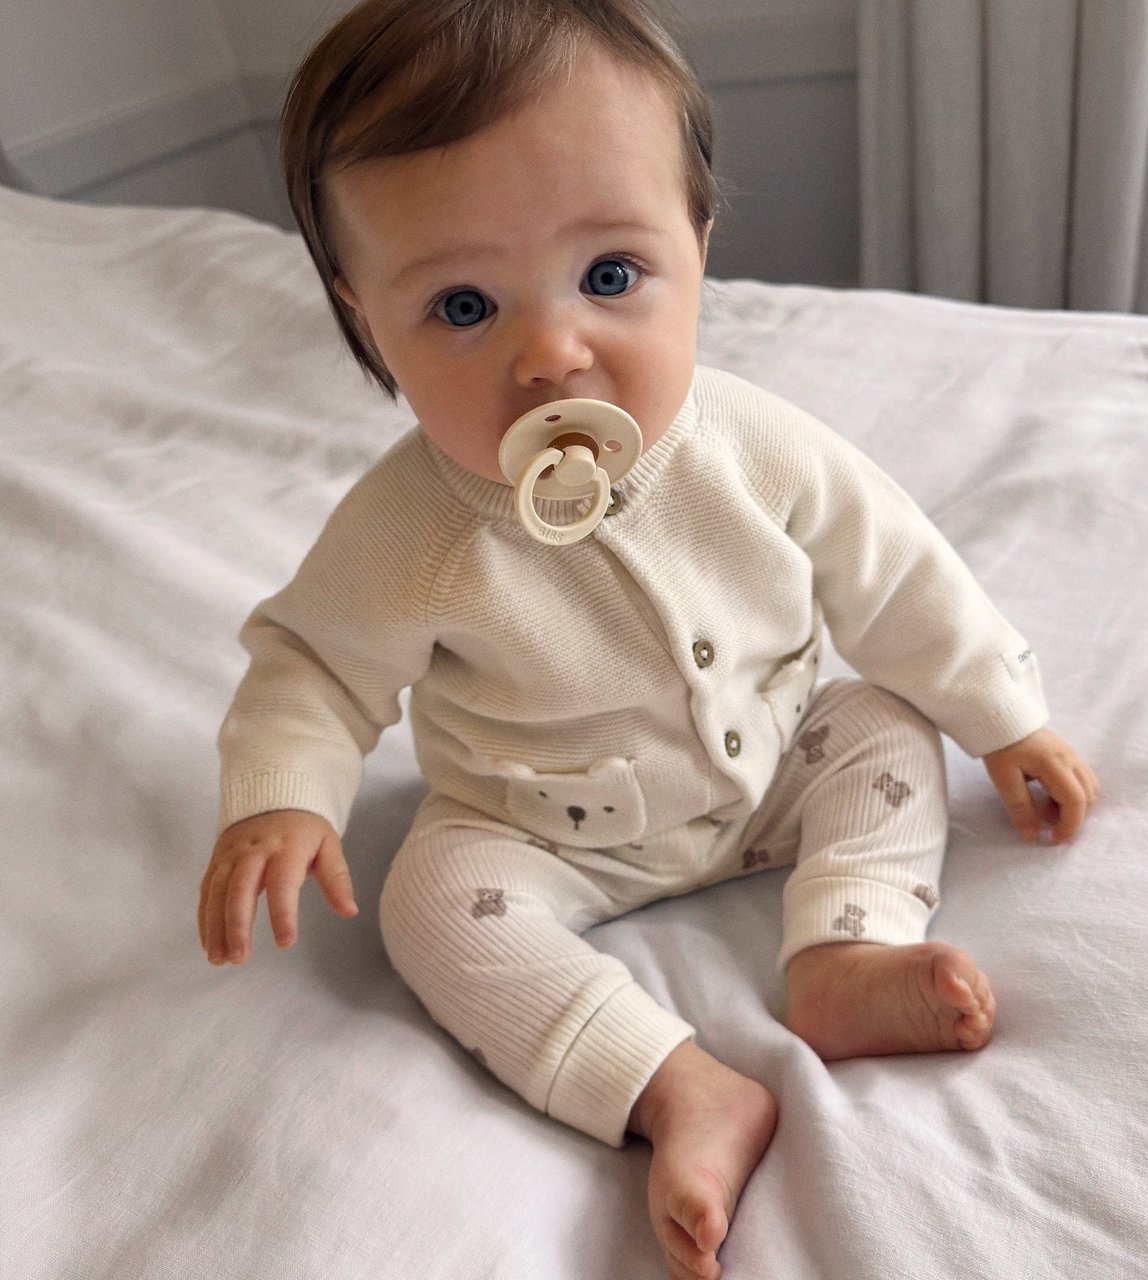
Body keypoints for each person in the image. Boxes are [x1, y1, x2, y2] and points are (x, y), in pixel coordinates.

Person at [197, 2, 1099, 1276]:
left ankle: (844, 950)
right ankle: (678, 1088)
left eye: (610, 277)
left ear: (697, 240)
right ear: (362, 312)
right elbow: (314, 664)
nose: (551, 353)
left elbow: (893, 566)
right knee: (429, 902)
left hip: (776, 760)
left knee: (887, 721)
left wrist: (1001, 713)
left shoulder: (748, 443)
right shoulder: (408, 530)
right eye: (462, 304)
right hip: (539, 824)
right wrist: (279, 795)